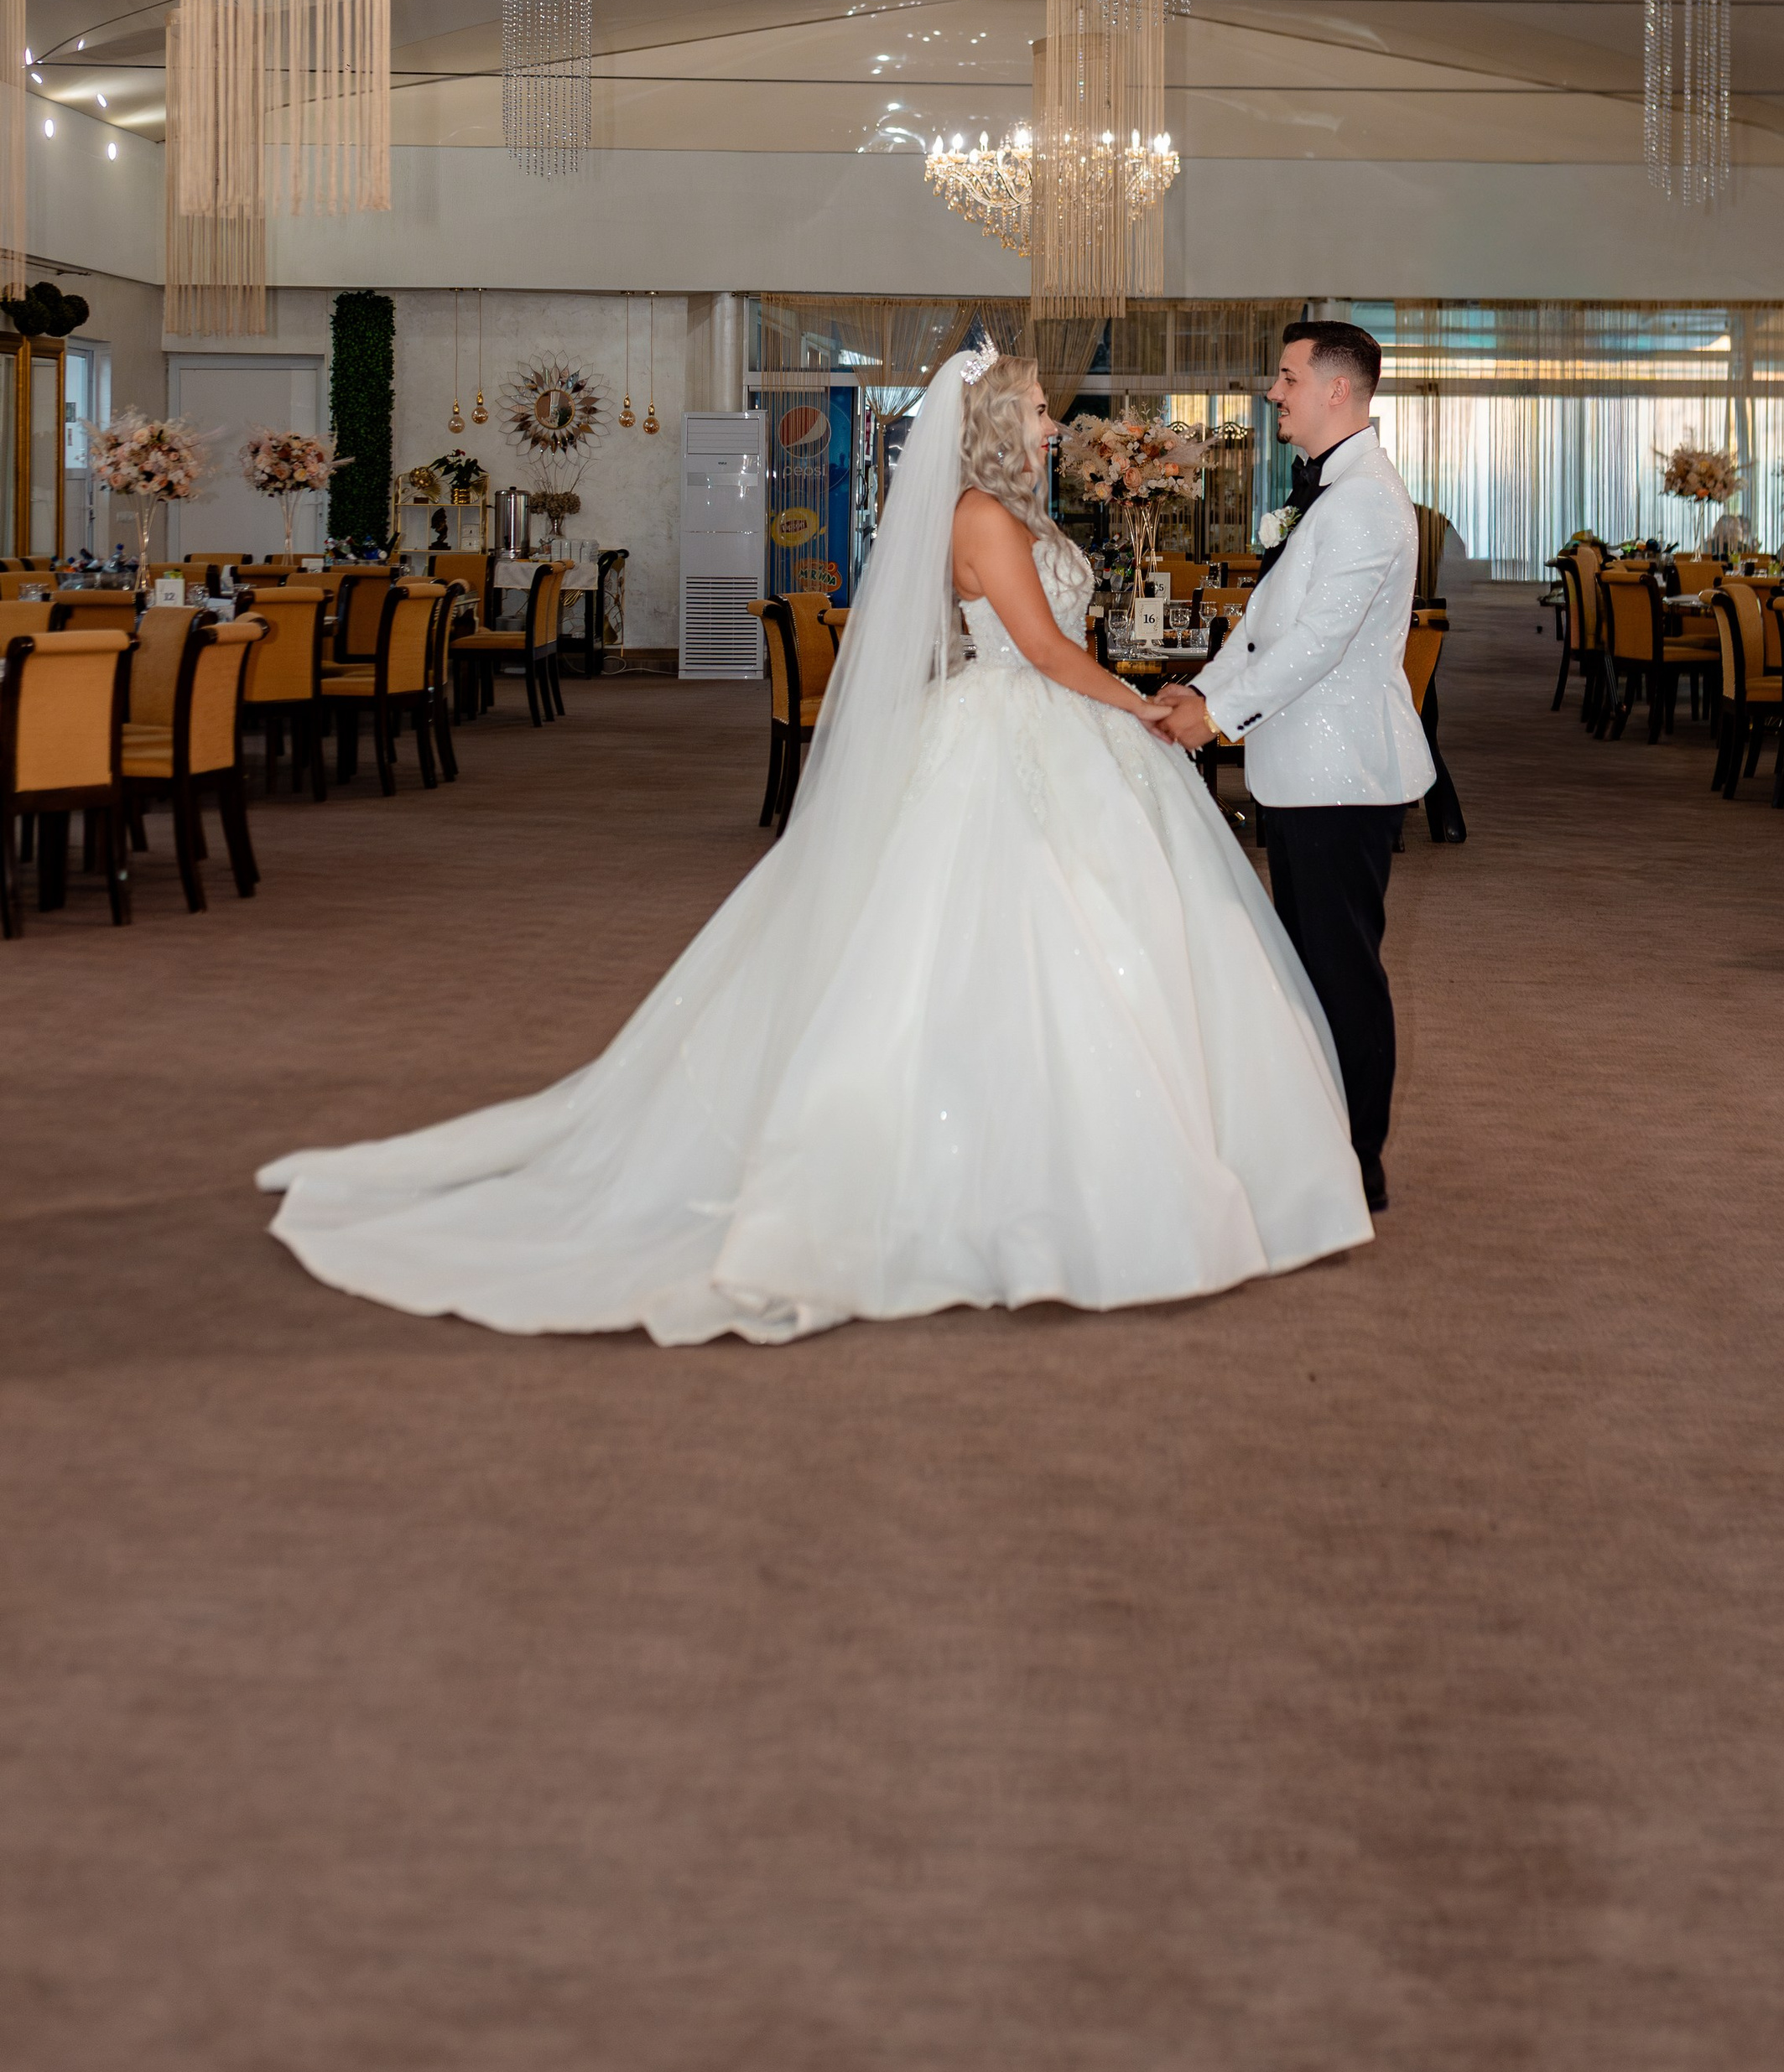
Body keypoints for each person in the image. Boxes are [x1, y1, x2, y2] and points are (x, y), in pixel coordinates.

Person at [259, 350, 1371, 1344]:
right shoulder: (981, 518)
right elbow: (1035, 648)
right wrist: (1140, 708)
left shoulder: (1021, 514)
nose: (1052, 424)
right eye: (1036, 409)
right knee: (990, 939)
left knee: (1085, 937)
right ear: (989, 425)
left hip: (1051, 736)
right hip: (1017, 728)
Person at [1151, 321, 1429, 1213]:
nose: (1274, 393)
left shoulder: (1365, 503)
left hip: (1341, 775)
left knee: (1342, 970)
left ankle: (1358, 1161)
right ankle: (1323, 1146)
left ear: (1336, 391)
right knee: (1308, 965)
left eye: (1287, 377)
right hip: (1309, 771)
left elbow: (1317, 643)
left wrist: (1215, 719)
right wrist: (1198, 695)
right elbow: (1267, 628)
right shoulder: (1332, 495)